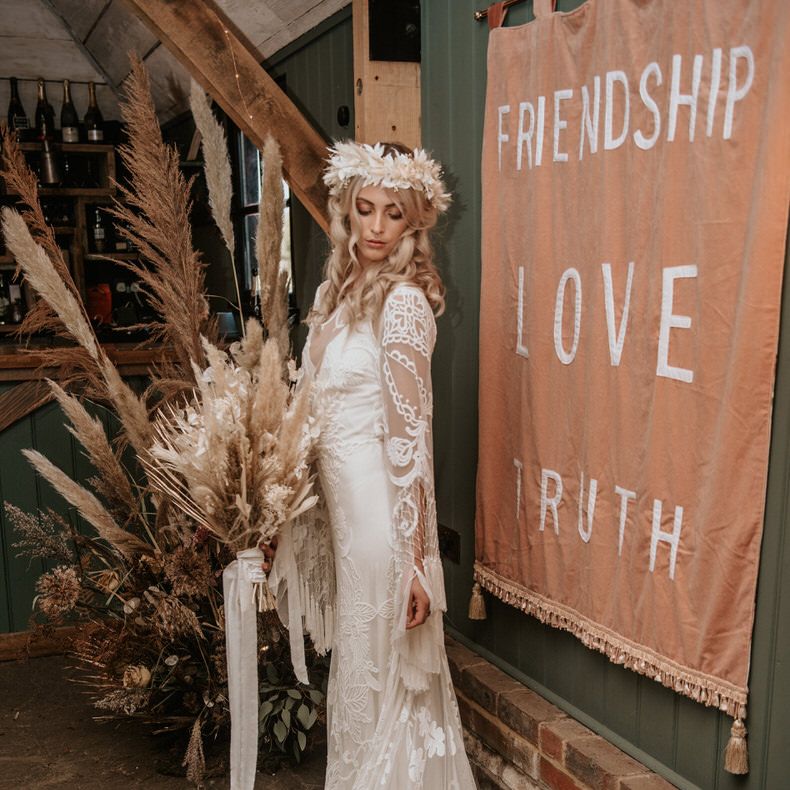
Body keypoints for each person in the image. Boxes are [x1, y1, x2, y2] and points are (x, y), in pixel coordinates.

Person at [266, 141, 476, 789]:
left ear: (413, 223)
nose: (378, 227)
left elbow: (411, 441)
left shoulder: (405, 304)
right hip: (345, 523)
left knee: (386, 684)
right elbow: (311, 409)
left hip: (385, 528)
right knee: (358, 681)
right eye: (366, 210)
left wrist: (418, 562)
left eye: (394, 213)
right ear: (347, 212)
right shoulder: (335, 293)